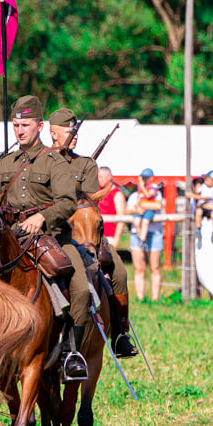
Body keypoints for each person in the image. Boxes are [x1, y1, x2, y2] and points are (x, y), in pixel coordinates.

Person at [0, 96, 87, 379]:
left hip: (50, 237)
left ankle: (71, 352)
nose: (19, 131)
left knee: (79, 286)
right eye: (16, 124)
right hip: (9, 238)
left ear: (40, 126)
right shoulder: (5, 163)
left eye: (25, 125)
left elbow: (68, 203)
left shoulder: (55, 162)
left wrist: (42, 217)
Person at [49, 113, 136, 358]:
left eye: (76, 130)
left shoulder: (86, 164)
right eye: (69, 130)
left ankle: (120, 332)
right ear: (53, 132)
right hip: (52, 229)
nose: (74, 135)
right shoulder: (42, 161)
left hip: (83, 231)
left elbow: (86, 201)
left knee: (118, 271)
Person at [126, 182, 163, 301]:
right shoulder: (134, 195)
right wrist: (138, 208)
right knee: (139, 268)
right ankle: (140, 297)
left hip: (154, 233)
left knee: (155, 267)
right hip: (136, 233)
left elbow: (158, 206)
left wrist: (141, 205)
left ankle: (155, 298)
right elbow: (126, 210)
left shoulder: (157, 194)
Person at [187, 170, 213, 248]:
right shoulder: (203, 186)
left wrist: (192, 195)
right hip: (204, 207)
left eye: (208, 179)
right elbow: (198, 192)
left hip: (209, 208)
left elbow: (206, 197)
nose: (206, 181)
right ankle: (198, 229)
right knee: (198, 212)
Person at [98, 166, 127, 248]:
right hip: (96, 234)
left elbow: (121, 218)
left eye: (101, 177)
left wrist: (116, 238)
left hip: (109, 236)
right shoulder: (97, 191)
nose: (98, 179)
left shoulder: (117, 194)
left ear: (109, 177)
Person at [132, 168, 160, 242]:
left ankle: (142, 239)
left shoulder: (153, 186)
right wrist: (137, 207)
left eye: (146, 177)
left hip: (149, 209)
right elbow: (139, 198)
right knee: (136, 221)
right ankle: (140, 237)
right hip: (141, 208)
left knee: (145, 222)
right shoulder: (141, 188)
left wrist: (142, 187)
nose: (144, 179)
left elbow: (148, 195)